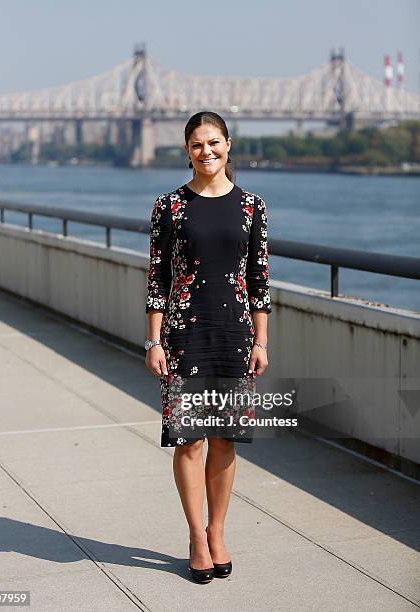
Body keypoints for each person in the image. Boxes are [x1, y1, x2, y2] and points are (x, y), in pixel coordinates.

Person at [145, 111, 272, 583]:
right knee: (189, 439)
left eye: (214, 143)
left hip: (235, 335)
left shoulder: (252, 206)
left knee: (224, 439)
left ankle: (218, 530)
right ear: (187, 150)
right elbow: (157, 278)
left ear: (228, 144)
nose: (207, 152)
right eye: (198, 145)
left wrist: (262, 340)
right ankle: (196, 536)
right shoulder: (169, 207)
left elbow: (259, 281)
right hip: (183, 335)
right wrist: (153, 340)